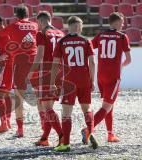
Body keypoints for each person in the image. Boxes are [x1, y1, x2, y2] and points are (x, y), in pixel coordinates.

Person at [0, 5, 38, 137]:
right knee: (8, 93)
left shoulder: (9, 30)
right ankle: (7, 121)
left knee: (1, 94)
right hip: (25, 62)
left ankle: (6, 124)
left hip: (8, 65)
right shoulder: (30, 26)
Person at [82, 12, 131, 143]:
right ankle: (88, 130)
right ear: (117, 22)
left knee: (109, 104)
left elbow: (88, 47)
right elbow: (128, 59)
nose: (123, 24)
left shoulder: (101, 35)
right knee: (106, 106)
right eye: (122, 22)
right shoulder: (122, 36)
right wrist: (120, 66)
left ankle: (110, 134)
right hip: (113, 76)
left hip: (101, 75)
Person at [50, 16, 97, 152]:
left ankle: (66, 144)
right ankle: (90, 132)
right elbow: (92, 63)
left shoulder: (62, 42)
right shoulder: (85, 41)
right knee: (87, 109)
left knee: (66, 114)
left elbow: (55, 64)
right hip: (84, 80)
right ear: (79, 27)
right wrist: (92, 80)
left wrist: (53, 82)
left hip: (69, 81)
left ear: (69, 26)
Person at [28, 11, 64, 146]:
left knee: (47, 107)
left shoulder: (41, 33)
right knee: (49, 107)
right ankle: (44, 138)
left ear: (41, 21)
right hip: (60, 71)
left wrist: (31, 72)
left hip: (47, 72)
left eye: (38, 23)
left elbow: (40, 54)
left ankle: (62, 136)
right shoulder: (61, 33)